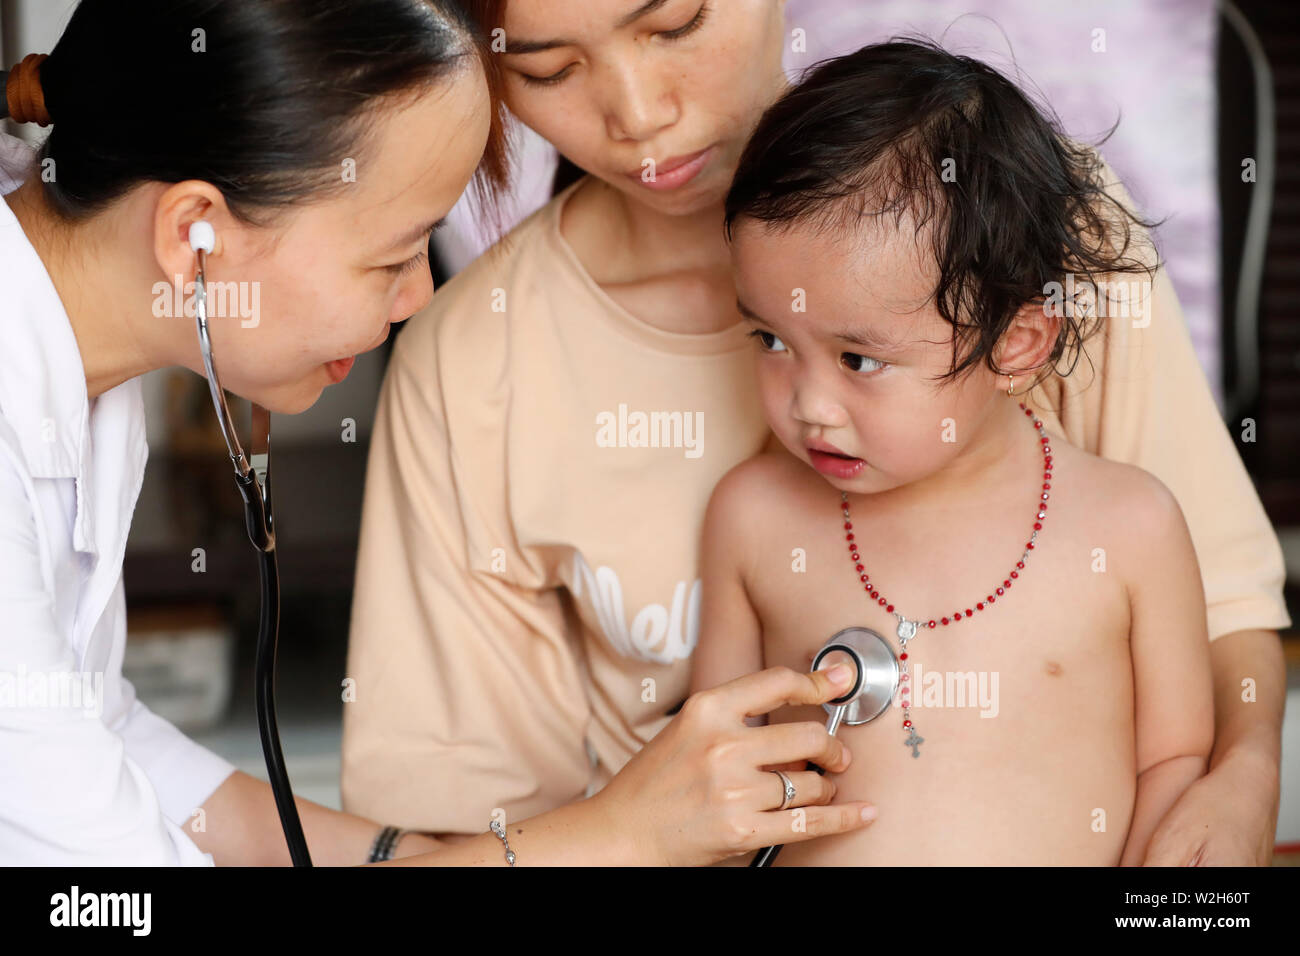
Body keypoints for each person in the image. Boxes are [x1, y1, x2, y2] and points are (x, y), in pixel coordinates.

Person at [342, 0, 1290, 865]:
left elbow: (1222, 615)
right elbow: (474, 826)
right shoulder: (471, 361)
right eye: (547, 69)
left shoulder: (1038, 221)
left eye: (675, 23)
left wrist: (1242, 789)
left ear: (1022, 341)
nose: (637, 114)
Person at [0, 0, 874, 867]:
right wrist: (623, 833)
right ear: (192, 240)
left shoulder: (78, 374)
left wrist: (398, 856)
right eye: (392, 255)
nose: (420, 296)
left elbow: (98, 735)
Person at [691, 39, 1217, 866]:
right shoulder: (754, 517)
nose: (808, 405)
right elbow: (714, 770)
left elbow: (1175, 761)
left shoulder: (1128, 527)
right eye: (770, 337)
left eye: (858, 359)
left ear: (1017, 345)